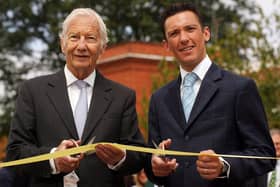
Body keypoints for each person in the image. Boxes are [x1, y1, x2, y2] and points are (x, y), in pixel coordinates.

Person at [6, 8, 145, 187]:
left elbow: (139, 156)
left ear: (103, 47)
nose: (81, 46)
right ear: (62, 44)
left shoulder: (122, 96)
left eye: (90, 38)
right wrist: (53, 159)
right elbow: (15, 153)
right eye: (74, 37)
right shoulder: (32, 91)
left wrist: (121, 158)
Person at [144, 2, 275, 187]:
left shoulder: (240, 88)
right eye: (174, 33)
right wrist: (155, 166)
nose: (183, 38)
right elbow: (152, 161)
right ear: (166, 45)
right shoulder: (159, 99)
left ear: (206, 33)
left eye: (190, 29)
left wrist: (224, 165)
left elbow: (265, 154)